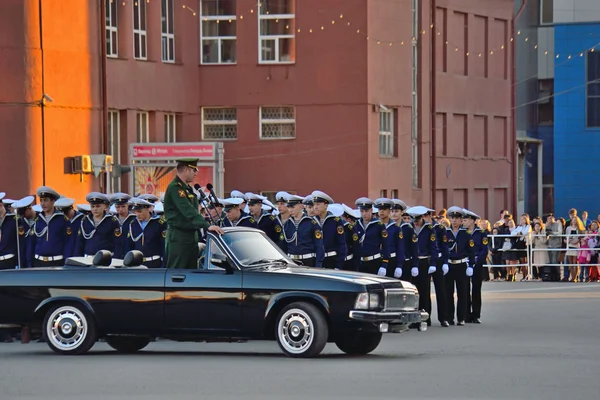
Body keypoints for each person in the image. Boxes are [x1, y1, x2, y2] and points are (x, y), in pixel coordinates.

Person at [164, 158, 224, 269]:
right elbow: (187, 210)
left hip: (191, 236)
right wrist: (208, 226)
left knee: (192, 272)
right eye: (194, 170)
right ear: (186, 169)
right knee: (178, 271)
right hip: (179, 236)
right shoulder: (175, 188)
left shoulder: (187, 188)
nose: (196, 173)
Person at [124, 198, 167, 268]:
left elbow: (163, 245)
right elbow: (129, 245)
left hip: (154, 263)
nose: (137, 214)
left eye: (140, 211)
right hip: (137, 263)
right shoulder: (133, 224)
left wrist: (164, 264)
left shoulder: (159, 223)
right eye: (136, 212)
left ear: (148, 209)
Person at [313, 191, 347, 269]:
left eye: (318, 204)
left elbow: (342, 244)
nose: (315, 207)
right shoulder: (312, 221)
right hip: (316, 261)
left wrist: (339, 265)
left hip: (332, 260)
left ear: (326, 205)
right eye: (314, 204)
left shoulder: (335, 221)